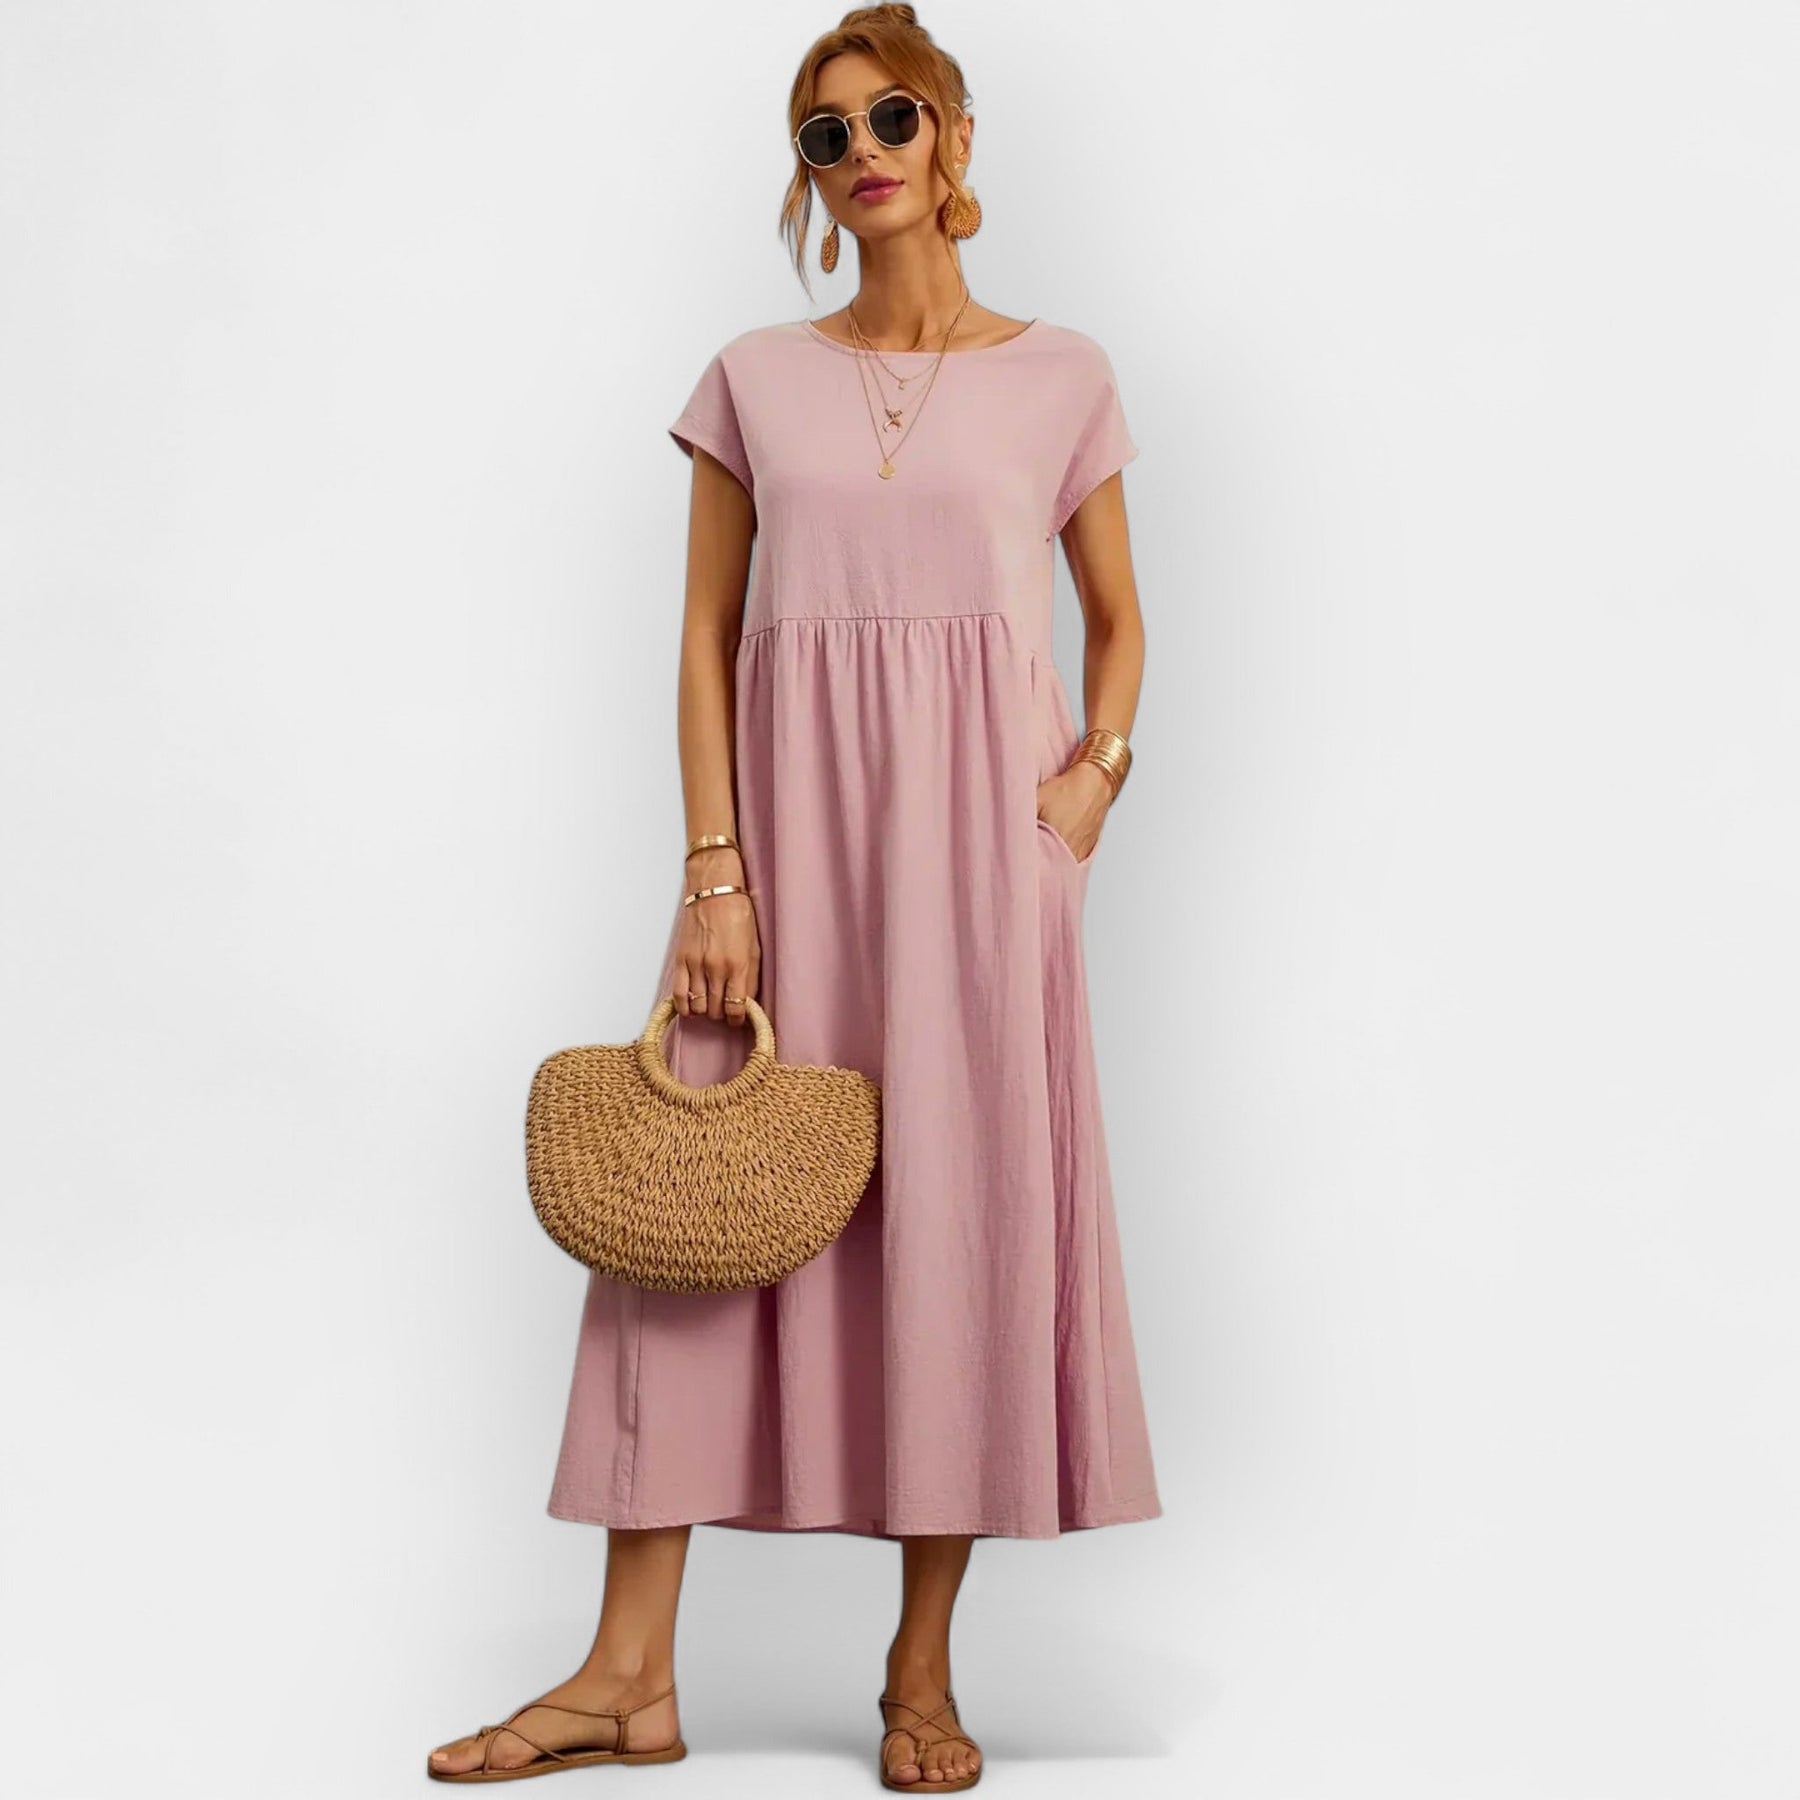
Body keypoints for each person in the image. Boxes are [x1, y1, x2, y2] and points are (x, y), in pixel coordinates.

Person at [427, 5, 1160, 1788]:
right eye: (826, 135)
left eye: (892, 116)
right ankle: (627, 1676)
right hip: (782, 847)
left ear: (957, 137)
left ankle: (920, 1670)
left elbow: (1120, 622)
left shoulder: (1062, 374)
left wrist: (1086, 791)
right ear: (809, 180)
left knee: (960, 1222)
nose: (863, 153)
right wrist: (713, 868)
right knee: (686, 1211)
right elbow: (703, 633)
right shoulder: (755, 375)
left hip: (980, 868)